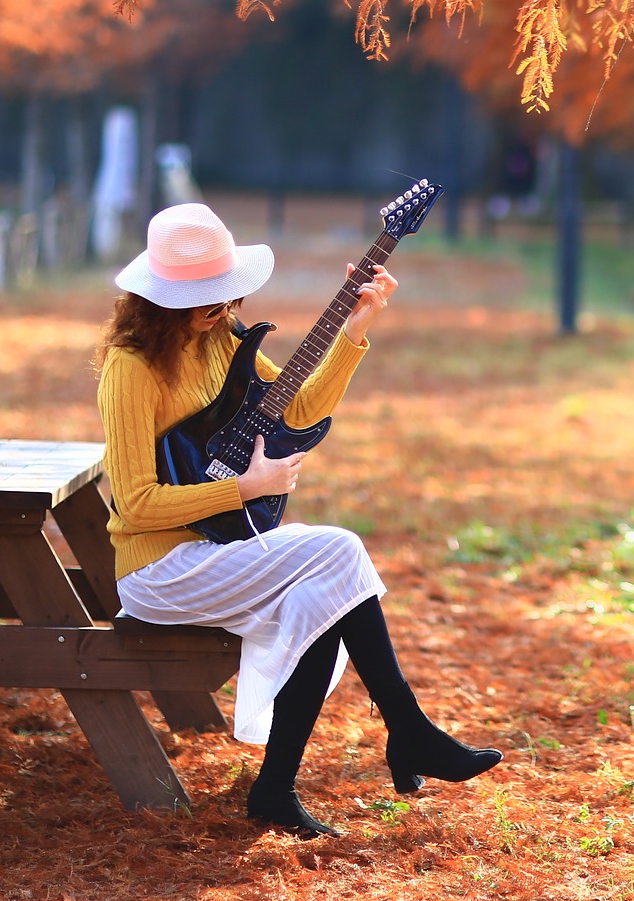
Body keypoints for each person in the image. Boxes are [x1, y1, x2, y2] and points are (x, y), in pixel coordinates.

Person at [96, 202, 500, 837]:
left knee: (324, 595)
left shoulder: (223, 342)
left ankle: (276, 790)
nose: (221, 312)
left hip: (218, 551)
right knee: (338, 554)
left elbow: (300, 407)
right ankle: (408, 728)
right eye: (205, 302)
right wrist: (244, 489)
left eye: (225, 298)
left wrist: (355, 331)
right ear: (160, 302)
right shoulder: (132, 368)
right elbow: (137, 502)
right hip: (159, 570)